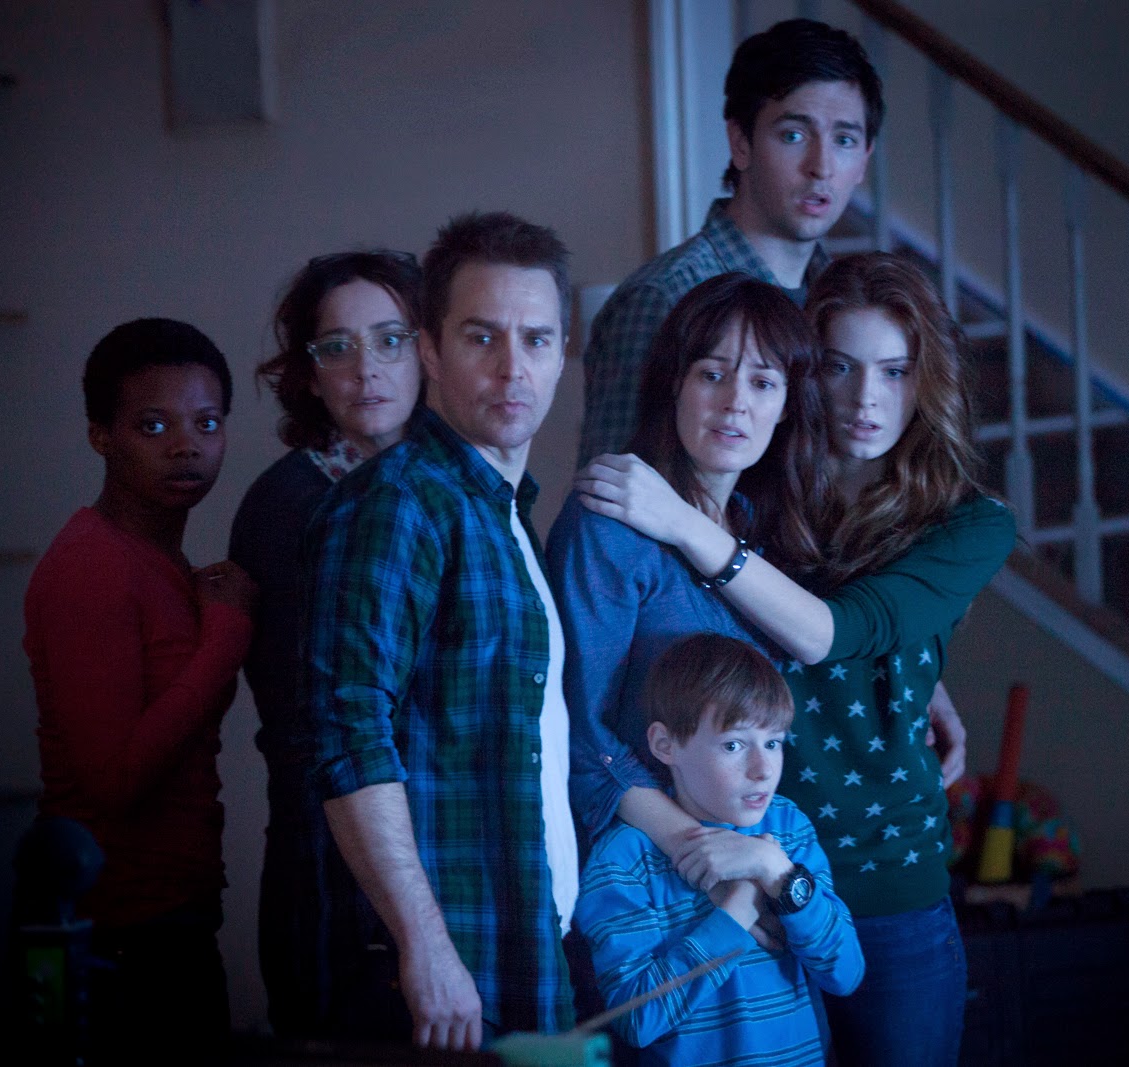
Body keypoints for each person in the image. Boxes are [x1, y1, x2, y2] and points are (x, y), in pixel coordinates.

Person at [576, 252, 1017, 1066]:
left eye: (895, 370)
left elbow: (836, 631)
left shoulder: (969, 523)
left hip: (882, 873)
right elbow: (599, 712)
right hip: (733, 860)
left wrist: (923, 676)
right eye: (840, 366)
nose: (865, 396)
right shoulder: (761, 499)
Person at [304, 212, 578, 1050]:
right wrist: (422, 944)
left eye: (536, 339)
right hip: (444, 965)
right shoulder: (399, 503)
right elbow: (349, 732)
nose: (512, 367)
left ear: (562, 354)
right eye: (481, 336)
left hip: (522, 939)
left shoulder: (506, 509)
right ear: (429, 350)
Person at [23, 317, 258, 1062]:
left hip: (173, 919)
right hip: (119, 935)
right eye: (153, 425)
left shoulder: (162, 564)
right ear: (101, 435)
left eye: (207, 422)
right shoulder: (93, 567)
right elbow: (115, 780)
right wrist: (226, 637)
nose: (186, 445)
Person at [548, 271, 831, 853]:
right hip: (639, 861)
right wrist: (697, 849)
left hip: (754, 844)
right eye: (712, 374)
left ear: (786, 406)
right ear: (675, 382)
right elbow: (579, 731)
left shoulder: (767, 528)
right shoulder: (608, 523)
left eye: (763, 382)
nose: (735, 403)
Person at [228, 250, 423, 1039]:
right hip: (331, 873)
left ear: (427, 349)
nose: (366, 368)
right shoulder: (289, 505)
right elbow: (309, 731)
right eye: (337, 347)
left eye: (390, 340)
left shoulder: (449, 486)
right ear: (309, 374)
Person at [578, 17, 882, 464]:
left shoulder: (840, 298)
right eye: (793, 135)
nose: (821, 166)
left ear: (864, 161)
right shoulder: (665, 295)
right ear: (741, 143)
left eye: (844, 139)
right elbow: (610, 489)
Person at [574, 633, 863, 1066]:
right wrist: (738, 910)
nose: (763, 769)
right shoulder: (623, 861)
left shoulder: (788, 829)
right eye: (733, 744)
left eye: (773, 742)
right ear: (665, 745)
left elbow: (846, 973)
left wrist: (776, 872)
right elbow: (636, 1020)